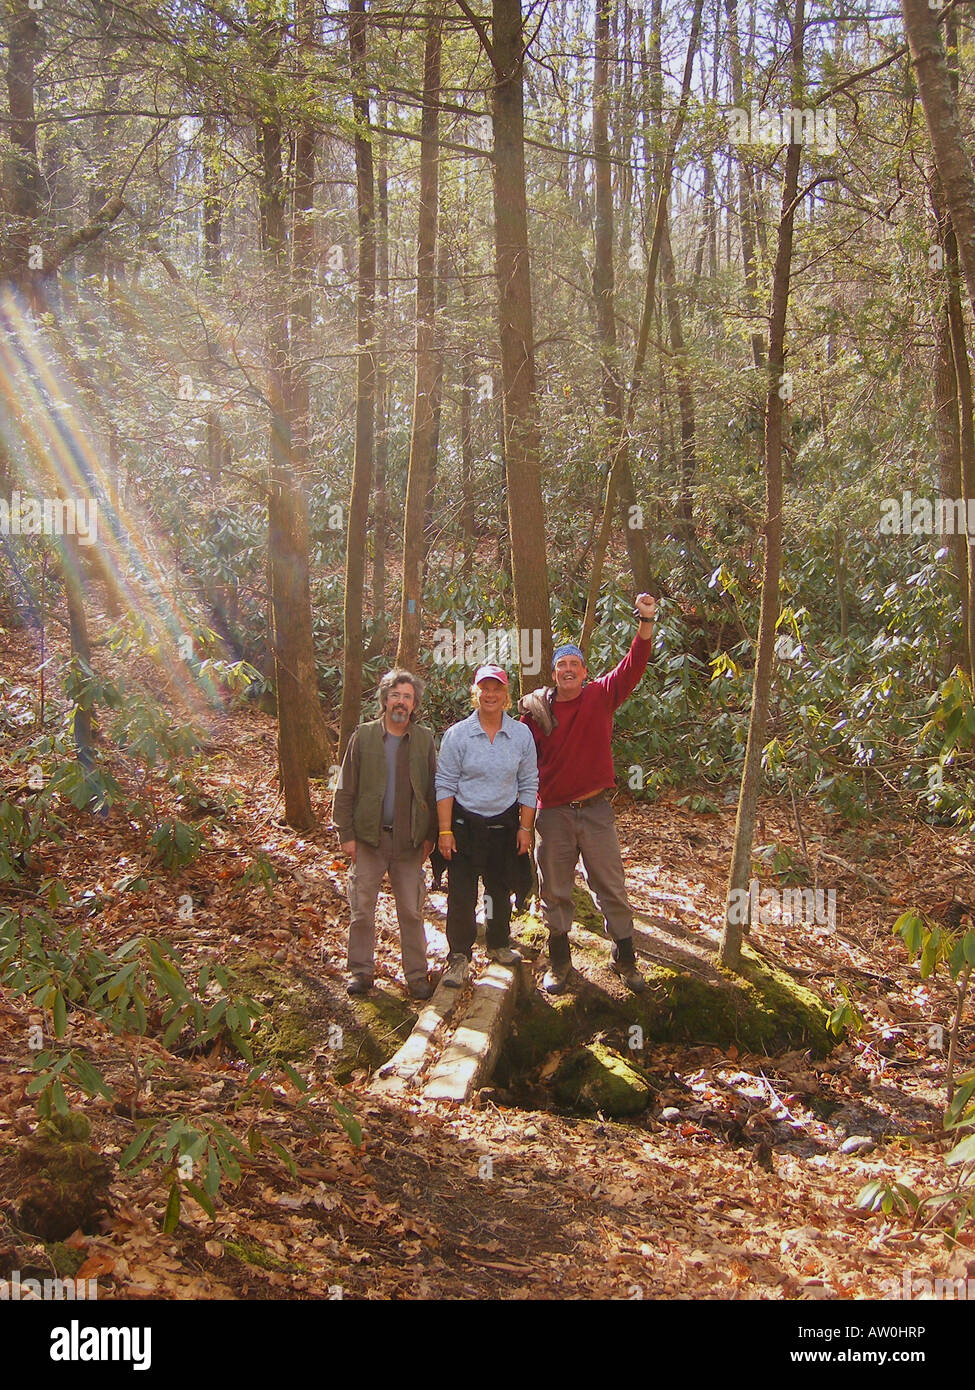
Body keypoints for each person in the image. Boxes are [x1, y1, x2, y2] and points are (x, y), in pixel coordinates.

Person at [519, 594, 656, 995]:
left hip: (595, 811)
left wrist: (645, 618)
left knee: (610, 885)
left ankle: (625, 957)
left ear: (584, 671)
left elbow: (634, 664)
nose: (567, 670)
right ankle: (560, 963)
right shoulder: (535, 714)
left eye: (574, 664)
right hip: (553, 814)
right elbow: (518, 761)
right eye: (560, 665)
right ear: (553, 673)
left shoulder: (601, 695)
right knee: (555, 890)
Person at [333, 669, 437, 1000]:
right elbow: (345, 786)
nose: (401, 702)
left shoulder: (424, 740)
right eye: (395, 695)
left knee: (411, 909)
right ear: (384, 699)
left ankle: (417, 975)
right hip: (368, 839)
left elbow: (434, 790)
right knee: (362, 909)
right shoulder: (363, 737)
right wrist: (345, 833)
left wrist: (430, 836)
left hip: (409, 842)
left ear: (414, 704)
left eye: (407, 697)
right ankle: (361, 972)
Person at [435, 665, 538, 988]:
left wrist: (525, 828)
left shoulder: (521, 734)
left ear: (506, 695)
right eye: (484, 688)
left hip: (504, 825)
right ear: (475, 692)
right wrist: (444, 830)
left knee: (499, 888)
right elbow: (445, 783)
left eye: (497, 689)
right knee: (462, 894)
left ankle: (498, 943)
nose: (490, 694)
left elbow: (529, 782)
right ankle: (459, 956)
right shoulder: (458, 735)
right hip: (465, 824)